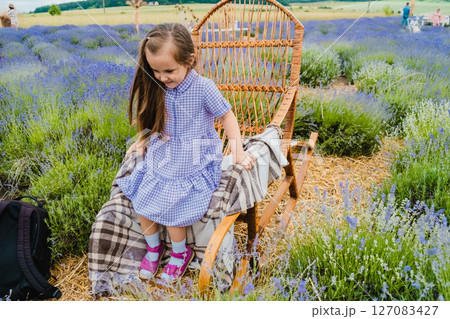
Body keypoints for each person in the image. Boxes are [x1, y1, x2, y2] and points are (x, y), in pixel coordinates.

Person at [116, 23, 256, 283]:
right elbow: (153, 118)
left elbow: (227, 116)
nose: (162, 77)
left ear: (189, 60)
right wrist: (144, 138)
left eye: (169, 70)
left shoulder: (204, 88)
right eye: (156, 70)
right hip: (166, 149)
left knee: (172, 200)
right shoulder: (159, 85)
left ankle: (181, 253)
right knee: (143, 194)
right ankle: (154, 248)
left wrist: (236, 151)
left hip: (195, 154)